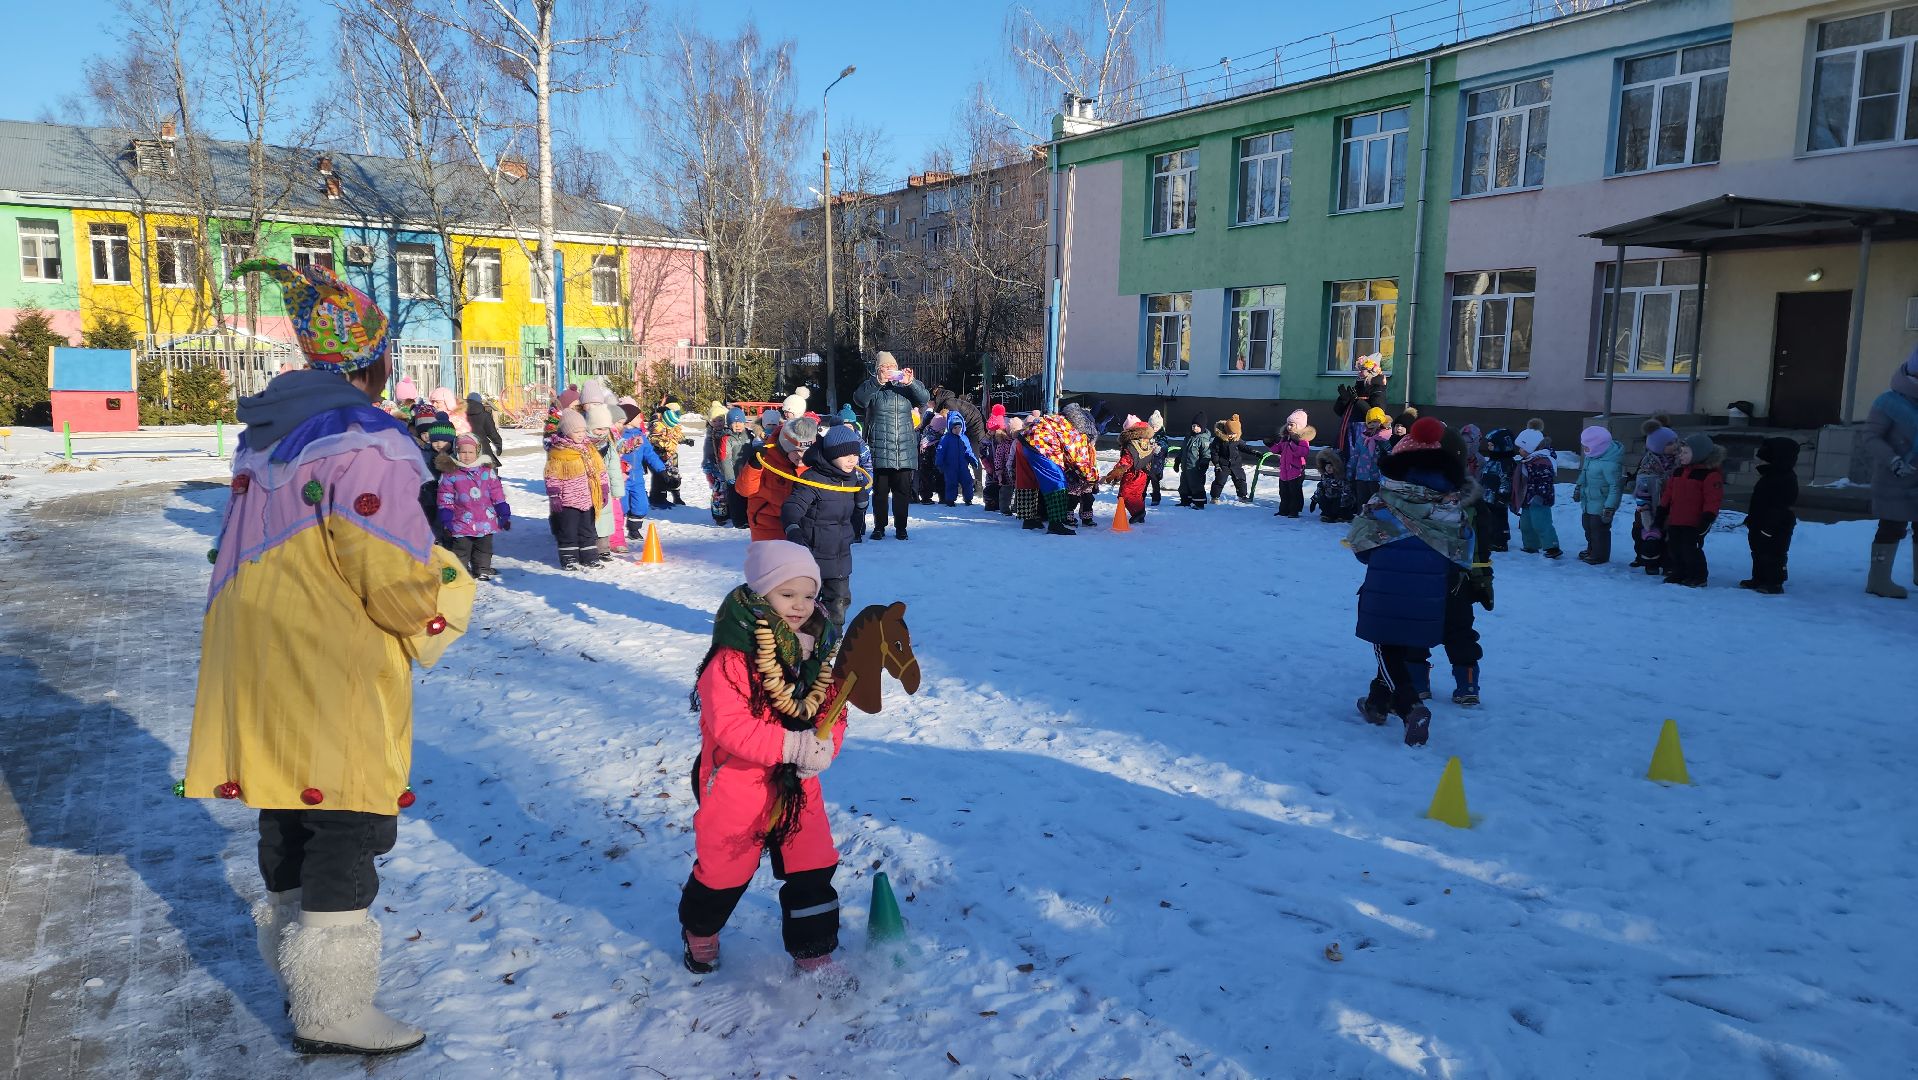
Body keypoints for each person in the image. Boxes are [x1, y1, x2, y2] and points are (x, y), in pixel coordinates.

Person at [186, 258, 472, 1056]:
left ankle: (298, 978)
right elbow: (390, 572)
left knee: (287, 802)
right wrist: (446, 592)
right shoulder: (369, 440)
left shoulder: (267, 434)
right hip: (327, 654)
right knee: (348, 817)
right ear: (372, 361)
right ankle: (332, 1006)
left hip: (258, 647)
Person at [679, 541, 856, 995]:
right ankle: (700, 930)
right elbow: (731, 726)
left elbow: (832, 706)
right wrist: (791, 744)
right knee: (725, 869)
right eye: (786, 594)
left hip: (797, 783)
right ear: (760, 594)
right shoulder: (732, 658)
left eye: (807, 595)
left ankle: (814, 950)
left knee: (812, 863)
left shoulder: (818, 650)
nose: (799, 606)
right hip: (737, 782)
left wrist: (824, 745)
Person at [1347, 418, 1476, 746]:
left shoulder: (1383, 501)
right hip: (1432, 593)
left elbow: (1361, 548)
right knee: (1400, 645)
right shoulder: (1451, 506)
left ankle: (1410, 706)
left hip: (1386, 588)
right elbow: (1461, 553)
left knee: (1384, 645)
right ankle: (1378, 703)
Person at [782, 423, 869, 629]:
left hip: (840, 557)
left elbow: (854, 521)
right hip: (812, 554)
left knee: (839, 602)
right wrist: (792, 528)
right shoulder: (813, 479)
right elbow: (793, 506)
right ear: (831, 455)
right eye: (845, 455)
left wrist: (861, 504)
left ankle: (832, 641)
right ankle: (798, 639)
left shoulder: (851, 479)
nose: (852, 460)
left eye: (855, 455)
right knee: (805, 604)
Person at [852, 353, 931, 540]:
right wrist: (877, 382)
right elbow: (859, 399)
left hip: (904, 447)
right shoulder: (872, 387)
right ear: (878, 369)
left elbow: (924, 398)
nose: (889, 370)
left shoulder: (905, 387)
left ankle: (901, 528)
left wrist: (911, 382)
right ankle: (879, 527)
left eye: (892, 366)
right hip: (879, 445)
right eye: (885, 367)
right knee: (880, 492)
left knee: (902, 492)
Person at [1864, 348, 1918, 598]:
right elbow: (1871, 437)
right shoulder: (1888, 403)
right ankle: (1879, 580)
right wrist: (1894, 461)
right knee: (1892, 526)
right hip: (1895, 477)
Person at [437, 434, 510, 580]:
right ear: (457, 452)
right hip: (461, 520)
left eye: (470, 452)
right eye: (463, 452)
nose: (466, 456)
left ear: (477, 452)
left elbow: (497, 492)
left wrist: (503, 510)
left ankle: (482, 569)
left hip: (486, 519)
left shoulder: (487, 472)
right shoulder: (451, 474)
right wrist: (446, 515)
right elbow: (445, 495)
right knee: (461, 549)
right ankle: (460, 571)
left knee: (484, 548)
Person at [737, 414, 818, 542]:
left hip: (804, 525)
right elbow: (744, 490)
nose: (801, 456)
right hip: (768, 526)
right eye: (796, 451)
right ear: (785, 448)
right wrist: (753, 467)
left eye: (806, 451)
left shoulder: (816, 461)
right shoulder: (766, 459)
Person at [1660, 433, 1724, 587]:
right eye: (1680, 452)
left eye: (1685, 452)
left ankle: (1698, 575)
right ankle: (1679, 572)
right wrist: (1662, 509)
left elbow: (1713, 499)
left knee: (1691, 549)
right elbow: (1669, 493)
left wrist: (1708, 517)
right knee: (1674, 547)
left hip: (1694, 522)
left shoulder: (1710, 475)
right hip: (1676, 519)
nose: (1681, 455)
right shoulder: (1678, 472)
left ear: (1699, 454)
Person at [545, 410, 607, 570]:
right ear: (566, 432)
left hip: (588, 499)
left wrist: (604, 488)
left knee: (587, 530)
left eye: (582, 431)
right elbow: (552, 475)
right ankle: (569, 558)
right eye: (576, 431)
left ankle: (589, 557)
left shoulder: (589, 449)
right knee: (568, 531)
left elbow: (600, 469)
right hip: (568, 501)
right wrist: (554, 495)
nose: (581, 434)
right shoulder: (559, 452)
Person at [1741, 436, 1799, 594]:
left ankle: (1775, 582)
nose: (1759, 464)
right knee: (1758, 551)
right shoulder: (1768, 477)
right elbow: (1759, 501)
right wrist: (1751, 519)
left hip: (1777, 525)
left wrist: (1771, 525)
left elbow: (1780, 506)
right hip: (1759, 521)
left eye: (1763, 461)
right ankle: (1759, 578)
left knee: (1773, 553)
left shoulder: (1786, 479)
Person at [1629, 423, 1680, 575]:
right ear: (1658, 446)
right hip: (1647, 506)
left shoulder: (1679, 461)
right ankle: (1646, 560)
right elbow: (1642, 486)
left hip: (1670, 507)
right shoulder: (1648, 464)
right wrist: (1644, 509)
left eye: (1675, 441)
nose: (1675, 446)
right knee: (1645, 531)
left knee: (1668, 534)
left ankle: (1667, 563)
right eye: (1670, 444)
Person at [1573, 426, 1624, 565]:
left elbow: (1615, 487)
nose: (1585, 450)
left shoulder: (1611, 464)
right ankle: (1591, 549)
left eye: (1587, 447)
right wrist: (1578, 487)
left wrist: (1610, 507)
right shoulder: (1591, 457)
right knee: (1588, 527)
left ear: (1598, 447)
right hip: (1588, 500)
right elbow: (1583, 474)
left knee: (1599, 530)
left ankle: (1600, 554)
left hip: (1602, 504)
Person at [619, 407, 670, 542]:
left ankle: (634, 530)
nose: (641, 419)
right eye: (638, 417)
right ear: (629, 420)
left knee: (641, 504)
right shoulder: (619, 436)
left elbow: (650, 454)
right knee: (621, 505)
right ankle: (616, 533)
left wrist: (661, 469)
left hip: (637, 476)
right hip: (621, 477)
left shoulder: (640, 436)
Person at [1512, 428, 1562, 558]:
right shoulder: (1529, 460)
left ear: (1530, 447)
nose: (1519, 451)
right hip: (1527, 498)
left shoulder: (1542, 462)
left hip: (1539, 499)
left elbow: (1546, 481)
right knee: (1526, 524)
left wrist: (1539, 495)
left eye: (1521, 448)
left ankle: (1552, 546)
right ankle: (1530, 545)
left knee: (1541, 523)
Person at [1103, 416, 1158, 525]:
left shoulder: (1131, 444)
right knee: (1136, 495)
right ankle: (1139, 514)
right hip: (1143, 473)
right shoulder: (1144, 440)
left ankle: (1139, 513)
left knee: (1125, 495)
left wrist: (1114, 474)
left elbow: (1125, 462)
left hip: (1132, 474)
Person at [1336, 354, 1389, 452]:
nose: (1359, 372)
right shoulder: (1358, 386)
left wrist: (1357, 400)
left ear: (1371, 370)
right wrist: (1343, 399)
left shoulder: (1377, 388)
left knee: (1357, 454)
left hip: (1362, 430)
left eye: (1362, 369)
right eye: (1359, 369)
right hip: (1348, 430)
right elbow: (1339, 412)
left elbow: (1376, 413)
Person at [1475, 428, 1514, 553]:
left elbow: (1506, 480)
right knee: (1488, 519)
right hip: (1487, 496)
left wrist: (1503, 496)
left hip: (1498, 498)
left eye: (1491, 445)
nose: (1488, 447)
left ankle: (1500, 541)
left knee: (1499, 520)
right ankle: (1491, 538)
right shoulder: (1493, 460)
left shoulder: (1505, 463)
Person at [1273, 410, 1313, 518]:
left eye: (1292, 425)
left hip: (1296, 470)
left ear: (1299, 426)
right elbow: (1279, 449)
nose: (1289, 427)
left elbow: (1304, 452)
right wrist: (1271, 445)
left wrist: (1294, 445)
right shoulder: (1285, 438)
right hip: (1284, 470)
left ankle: (1294, 511)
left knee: (1294, 492)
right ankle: (1283, 510)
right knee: (1283, 492)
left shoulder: (1302, 439)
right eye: (1288, 424)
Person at [936, 407, 979, 506]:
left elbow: (968, 451)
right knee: (951, 483)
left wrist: (973, 460)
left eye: (959, 427)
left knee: (967, 481)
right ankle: (950, 500)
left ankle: (968, 498)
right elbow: (940, 451)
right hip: (950, 467)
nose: (957, 430)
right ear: (950, 428)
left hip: (963, 466)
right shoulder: (946, 438)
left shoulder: (964, 438)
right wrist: (939, 462)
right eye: (955, 428)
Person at [649, 398, 687, 509]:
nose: (677, 415)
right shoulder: (658, 423)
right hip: (659, 455)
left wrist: (685, 440)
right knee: (661, 476)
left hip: (672, 454)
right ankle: (659, 498)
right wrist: (661, 446)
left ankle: (676, 496)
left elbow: (676, 435)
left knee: (674, 474)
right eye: (675, 412)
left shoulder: (672, 421)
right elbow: (654, 437)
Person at [1349, 408, 1390, 507]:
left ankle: (1375, 519)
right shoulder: (1362, 437)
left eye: (1375, 421)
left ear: (1381, 421)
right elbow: (1355, 455)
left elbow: (1388, 454)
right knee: (1362, 500)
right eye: (1370, 422)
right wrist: (1350, 470)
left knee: (1376, 500)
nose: (1372, 424)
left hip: (1377, 476)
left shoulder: (1384, 437)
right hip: (1361, 475)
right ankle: (1361, 518)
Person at [1310, 448, 1359, 524]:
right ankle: (1328, 514)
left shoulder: (1340, 478)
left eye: (1331, 466)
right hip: (1329, 499)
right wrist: (1314, 500)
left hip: (1340, 501)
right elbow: (1320, 489)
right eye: (1327, 466)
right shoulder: (1325, 477)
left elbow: (1346, 492)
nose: (1329, 468)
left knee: (1338, 504)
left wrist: (1343, 505)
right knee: (1323, 498)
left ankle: (1341, 515)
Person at [1210, 413, 1249, 504]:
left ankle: (1242, 496)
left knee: (1240, 480)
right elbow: (1214, 452)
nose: (1232, 436)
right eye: (1230, 433)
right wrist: (1216, 463)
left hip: (1236, 464)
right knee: (1220, 480)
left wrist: (1255, 452)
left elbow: (1244, 448)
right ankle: (1214, 497)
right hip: (1223, 464)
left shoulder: (1237, 440)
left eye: (1234, 434)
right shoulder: (1219, 440)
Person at [1175, 414, 1212, 508]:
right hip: (1185, 467)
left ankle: (1199, 503)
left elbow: (1206, 454)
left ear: (1202, 427)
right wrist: (1177, 460)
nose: (1195, 428)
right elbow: (1182, 450)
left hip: (1195, 469)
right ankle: (1185, 500)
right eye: (1193, 425)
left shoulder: (1203, 439)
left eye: (1198, 426)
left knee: (1196, 485)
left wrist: (1203, 465)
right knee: (1184, 485)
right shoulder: (1188, 437)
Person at [465, 392, 503, 467]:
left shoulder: (459, 413)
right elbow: (492, 433)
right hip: (483, 448)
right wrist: (498, 445)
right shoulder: (485, 415)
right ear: (479, 401)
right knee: (488, 472)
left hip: (464, 447)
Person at [1147, 411, 1171, 506]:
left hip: (1157, 463)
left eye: (1156, 426)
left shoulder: (1162, 435)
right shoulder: (1147, 434)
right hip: (1146, 462)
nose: (1154, 429)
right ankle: (1141, 496)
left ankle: (1156, 498)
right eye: (1152, 426)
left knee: (1155, 481)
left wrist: (1159, 447)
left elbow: (1165, 446)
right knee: (1144, 481)